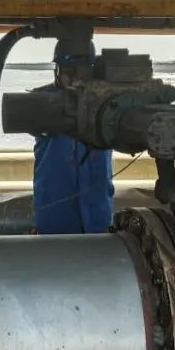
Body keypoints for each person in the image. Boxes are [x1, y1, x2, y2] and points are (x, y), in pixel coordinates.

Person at [32, 41, 114, 234]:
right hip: (55, 211)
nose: (76, 78)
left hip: (97, 210)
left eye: (83, 71)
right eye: (70, 71)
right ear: (58, 70)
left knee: (98, 246)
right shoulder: (41, 100)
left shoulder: (107, 102)